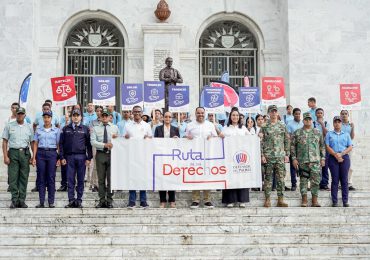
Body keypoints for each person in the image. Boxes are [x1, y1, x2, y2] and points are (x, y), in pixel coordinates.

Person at [185, 107, 219, 209]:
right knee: (195, 175)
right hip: (194, 156)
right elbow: (184, 139)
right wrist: (187, 138)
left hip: (207, 155)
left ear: (205, 114)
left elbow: (216, 138)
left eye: (202, 113)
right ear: (195, 114)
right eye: (198, 113)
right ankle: (195, 199)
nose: (200, 115)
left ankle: (207, 199)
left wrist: (212, 138)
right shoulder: (190, 125)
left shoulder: (210, 125)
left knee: (207, 175)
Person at [291, 112, 325, 207]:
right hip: (302, 161)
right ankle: (304, 200)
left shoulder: (317, 132)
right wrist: (294, 158)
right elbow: (292, 146)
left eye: (309, 119)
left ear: (312, 121)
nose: (308, 121)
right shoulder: (297, 132)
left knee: (315, 182)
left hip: (315, 161)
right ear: (303, 121)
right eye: (306, 119)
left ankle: (314, 201)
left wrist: (323, 158)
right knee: (303, 182)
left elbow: (322, 146)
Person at [60, 109, 93, 208]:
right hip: (69, 157)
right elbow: (61, 144)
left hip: (81, 157)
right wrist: (62, 157)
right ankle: (71, 200)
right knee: (70, 180)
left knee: (80, 180)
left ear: (81, 117)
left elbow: (89, 145)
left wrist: (89, 158)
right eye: (74, 115)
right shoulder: (66, 128)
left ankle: (79, 200)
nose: (75, 117)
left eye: (77, 115)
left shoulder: (85, 129)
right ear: (71, 117)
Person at [2, 107, 34, 208]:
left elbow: (32, 142)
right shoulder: (9, 125)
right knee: (13, 177)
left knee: (24, 177)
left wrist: (34, 156)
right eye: (18, 113)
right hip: (13, 153)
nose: (20, 115)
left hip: (25, 153)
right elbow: (5, 141)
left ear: (25, 115)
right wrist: (5, 156)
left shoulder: (29, 127)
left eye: (21, 114)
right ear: (15, 114)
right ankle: (14, 199)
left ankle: (21, 200)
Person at [260, 105, 290, 207]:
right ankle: (267, 199)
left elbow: (286, 140)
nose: (273, 113)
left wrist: (287, 154)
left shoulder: (282, 126)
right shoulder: (264, 126)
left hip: (280, 156)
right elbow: (261, 142)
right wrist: (262, 155)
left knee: (281, 179)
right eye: (271, 111)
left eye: (275, 111)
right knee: (268, 179)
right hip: (268, 157)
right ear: (269, 113)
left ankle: (280, 200)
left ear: (277, 113)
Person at [221, 108, 250, 208]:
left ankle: (242, 200)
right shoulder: (225, 128)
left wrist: (258, 135)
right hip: (229, 158)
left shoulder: (243, 128)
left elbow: (251, 139)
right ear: (230, 117)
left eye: (237, 115)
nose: (235, 117)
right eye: (233, 115)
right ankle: (230, 200)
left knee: (241, 178)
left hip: (241, 158)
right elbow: (220, 140)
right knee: (230, 179)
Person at [125, 105, 152, 208]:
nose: (137, 113)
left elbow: (151, 139)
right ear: (132, 113)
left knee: (142, 178)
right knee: (132, 177)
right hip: (131, 155)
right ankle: (131, 201)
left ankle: (143, 200)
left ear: (142, 113)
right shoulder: (128, 125)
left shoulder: (147, 125)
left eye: (139, 112)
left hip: (143, 155)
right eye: (135, 111)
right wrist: (125, 137)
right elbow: (123, 140)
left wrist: (148, 138)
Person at [31, 111, 61, 208]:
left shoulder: (56, 130)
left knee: (51, 178)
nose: (46, 119)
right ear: (43, 118)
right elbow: (35, 143)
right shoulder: (39, 130)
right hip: (41, 154)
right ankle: (41, 202)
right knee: (41, 178)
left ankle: (51, 201)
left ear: (51, 118)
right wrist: (34, 157)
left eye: (48, 117)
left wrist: (59, 158)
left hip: (52, 153)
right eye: (45, 117)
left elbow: (58, 145)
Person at [91, 108, 119, 208]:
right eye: (103, 116)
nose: (104, 117)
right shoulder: (95, 128)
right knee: (101, 179)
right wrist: (104, 145)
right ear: (100, 117)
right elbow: (93, 142)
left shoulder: (115, 128)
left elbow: (119, 142)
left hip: (112, 155)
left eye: (106, 116)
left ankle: (110, 200)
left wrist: (116, 139)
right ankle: (102, 200)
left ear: (109, 117)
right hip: (101, 154)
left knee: (111, 179)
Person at [154, 111, 180, 208]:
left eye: (169, 117)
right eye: (166, 116)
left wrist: (177, 139)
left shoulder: (176, 129)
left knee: (172, 178)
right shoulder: (158, 128)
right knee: (162, 179)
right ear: (163, 118)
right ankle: (162, 201)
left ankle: (172, 200)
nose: (167, 118)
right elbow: (155, 142)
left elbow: (179, 144)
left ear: (172, 118)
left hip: (172, 157)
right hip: (161, 157)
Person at [326, 116, 352, 207]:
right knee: (335, 180)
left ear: (341, 123)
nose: (337, 123)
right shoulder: (329, 134)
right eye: (335, 122)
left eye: (339, 122)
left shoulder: (346, 134)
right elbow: (327, 146)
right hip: (333, 158)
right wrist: (336, 155)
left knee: (344, 180)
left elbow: (350, 146)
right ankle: (335, 201)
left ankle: (345, 201)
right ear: (333, 123)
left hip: (344, 158)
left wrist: (342, 154)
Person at [313, 108, 331, 191]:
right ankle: (316, 183)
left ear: (323, 114)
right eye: (318, 113)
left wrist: (322, 124)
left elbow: (327, 134)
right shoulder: (313, 123)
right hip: (315, 147)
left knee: (325, 166)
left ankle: (324, 183)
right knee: (316, 166)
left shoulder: (326, 123)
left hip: (325, 147)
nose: (319, 114)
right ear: (316, 114)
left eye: (321, 113)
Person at [286, 108, 303, 191]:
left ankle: (304, 184)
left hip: (302, 148)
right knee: (293, 167)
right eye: (296, 114)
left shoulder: (303, 123)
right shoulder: (289, 124)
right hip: (293, 148)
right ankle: (294, 184)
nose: (298, 115)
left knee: (303, 167)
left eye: (299, 114)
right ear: (293, 114)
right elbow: (288, 137)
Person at [57, 106, 73, 192]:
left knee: (72, 170)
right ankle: (64, 184)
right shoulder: (62, 122)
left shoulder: (75, 121)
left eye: (71, 109)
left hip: (73, 150)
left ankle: (71, 184)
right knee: (64, 168)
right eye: (68, 109)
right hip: (64, 149)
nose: (69, 111)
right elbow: (60, 138)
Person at [340, 110, 356, 191]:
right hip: (340, 148)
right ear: (340, 115)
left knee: (350, 167)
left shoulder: (350, 125)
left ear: (348, 115)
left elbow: (352, 137)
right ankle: (340, 184)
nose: (344, 115)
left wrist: (353, 127)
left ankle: (349, 183)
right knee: (340, 166)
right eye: (342, 114)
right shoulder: (339, 124)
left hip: (349, 148)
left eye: (345, 114)